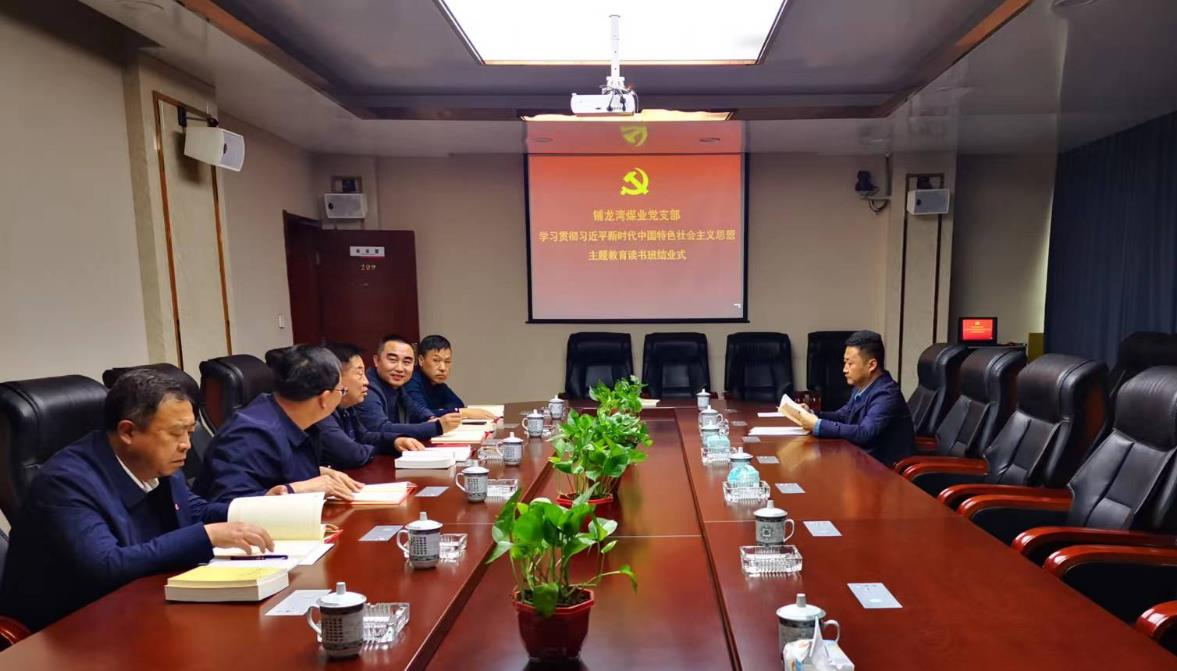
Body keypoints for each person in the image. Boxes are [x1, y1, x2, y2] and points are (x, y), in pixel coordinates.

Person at [0, 369, 276, 632]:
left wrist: (263, 508)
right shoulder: (65, 482)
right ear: (128, 432)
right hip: (67, 631)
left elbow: (193, 511)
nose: (187, 445)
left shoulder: (157, 463)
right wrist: (208, 535)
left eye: (190, 432)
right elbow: (106, 566)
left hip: (139, 606)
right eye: (175, 433)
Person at [194, 344, 363, 503]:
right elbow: (230, 505)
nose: (342, 395)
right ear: (324, 398)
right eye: (342, 390)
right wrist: (298, 489)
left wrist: (317, 472)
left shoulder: (294, 419)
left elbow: (275, 474)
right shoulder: (249, 436)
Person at [786, 330, 914, 466]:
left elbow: (864, 433)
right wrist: (811, 414)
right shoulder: (862, 386)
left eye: (850, 363)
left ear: (871, 365)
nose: (844, 369)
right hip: (860, 459)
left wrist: (818, 425)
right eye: (844, 362)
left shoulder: (886, 394)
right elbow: (843, 416)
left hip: (884, 469)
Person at [317, 342, 426, 468]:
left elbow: (364, 436)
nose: (366, 381)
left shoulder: (346, 407)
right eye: (360, 374)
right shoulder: (322, 412)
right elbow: (353, 454)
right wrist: (377, 448)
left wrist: (395, 441)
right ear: (336, 378)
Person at [356, 334, 462, 442]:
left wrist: (430, 418)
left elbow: (415, 409)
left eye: (406, 362)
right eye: (393, 360)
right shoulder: (366, 388)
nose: (400, 368)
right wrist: (437, 427)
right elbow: (380, 428)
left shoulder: (397, 386)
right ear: (376, 360)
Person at [403, 334, 497, 420]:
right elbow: (422, 414)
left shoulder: (438, 384)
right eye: (436, 360)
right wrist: (460, 412)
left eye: (447, 361)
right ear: (421, 360)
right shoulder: (411, 381)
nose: (443, 368)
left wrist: (444, 411)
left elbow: (458, 404)